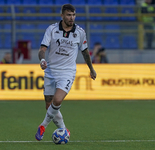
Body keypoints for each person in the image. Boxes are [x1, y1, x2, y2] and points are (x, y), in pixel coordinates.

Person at [35, 4, 97, 141]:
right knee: (48, 105)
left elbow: (85, 52)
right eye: (69, 15)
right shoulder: (52, 29)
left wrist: (91, 69)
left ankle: (43, 125)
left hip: (67, 72)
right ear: (62, 15)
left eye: (74, 15)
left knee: (57, 100)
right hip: (50, 70)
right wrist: (42, 60)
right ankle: (63, 129)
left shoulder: (80, 32)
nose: (72, 18)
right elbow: (42, 49)